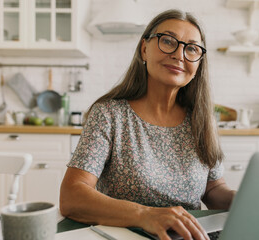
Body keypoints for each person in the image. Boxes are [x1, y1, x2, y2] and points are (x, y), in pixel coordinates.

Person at [60, 9, 235, 240]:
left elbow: (213, 189)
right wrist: (146, 215)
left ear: (199, 63)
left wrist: (246, 199)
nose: (179, 54)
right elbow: (72, 197)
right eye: (168, 41)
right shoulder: (109, 115)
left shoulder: (202, 120)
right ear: (144, 49)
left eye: (191, 48)